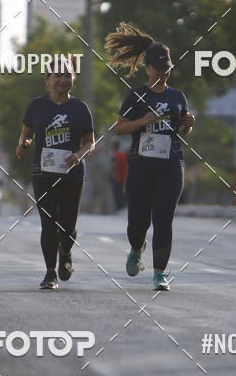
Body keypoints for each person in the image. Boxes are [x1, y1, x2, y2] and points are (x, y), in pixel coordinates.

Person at [105, 22, 195, 291]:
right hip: (141, 164)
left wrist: (188, 124)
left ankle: (160, 274)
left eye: (167, 69)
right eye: (158, 70)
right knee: (138, 222)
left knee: (164, 218)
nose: (163, 74)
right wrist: (143, 120)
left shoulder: (177, 96)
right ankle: (136, 248)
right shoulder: (136, 95)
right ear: (147, 68)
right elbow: (120, 128)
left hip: (171, 163)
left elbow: (181, 132)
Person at [16, 61, 95, 290]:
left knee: (68, 224)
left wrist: (79, 154)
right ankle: (50, 272)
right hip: (43, 172)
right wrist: (23, 145)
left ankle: (66, 253)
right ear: (47, 80)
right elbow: (25, 134)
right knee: (48, 222)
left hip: (72, 172)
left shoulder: (80, 108)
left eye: (67, 75)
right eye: (57, 75)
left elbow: (90, 141)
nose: (62, 79)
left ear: (73, 80)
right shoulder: (36, 106)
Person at [110, 139, 127, 211]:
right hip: (123, 177)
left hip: (116, 178)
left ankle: (119, 209)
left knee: (117, 194)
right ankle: (123, 208)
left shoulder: (115, 156)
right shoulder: (123, 155)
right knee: (122, 194)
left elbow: (114, 166)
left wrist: (110, 173)